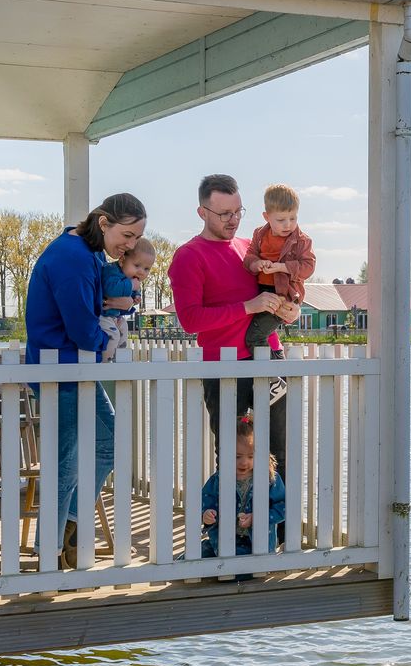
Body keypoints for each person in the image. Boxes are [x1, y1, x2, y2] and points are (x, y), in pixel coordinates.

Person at [26, 192, 147, 567]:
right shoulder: (74, 259)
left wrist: (119, 303)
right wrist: (107, 344)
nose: (129, 246)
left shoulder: (88, 252)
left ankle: (71, 524)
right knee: (65, 460)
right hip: (61, 371)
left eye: (135, 238)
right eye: (126, 236)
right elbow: (81, 329)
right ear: (104, 222)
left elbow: (96, 304)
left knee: (109, 442)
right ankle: (51, 549)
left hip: (77, 369)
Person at [169, 174, 299, 471]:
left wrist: (291, 310)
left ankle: (278, 520)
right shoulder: (188, 256)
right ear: (202, 213)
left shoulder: (250, 246)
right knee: (235, 456)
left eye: (238, 211)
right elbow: (190, 320)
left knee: (280, 452)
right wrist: (247, 307)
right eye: (225, 213)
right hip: (225, 367)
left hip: (269, 357)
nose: (234, 220)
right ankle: (229, 519)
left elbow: (279, 290)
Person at [241, 183, 316, 354]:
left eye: (293, 218)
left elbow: (308, 267)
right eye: (281, 220)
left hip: (284, 294)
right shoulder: (260, 235)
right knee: (261, 332)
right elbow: (249, 257)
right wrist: (256, 264)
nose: (288, 225)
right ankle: (276, 369)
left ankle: (274, 376)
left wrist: (280, 267)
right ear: (266, 216)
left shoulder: (302, 241)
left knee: (255, 337)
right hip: (262, 292)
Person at [201, 417, 285, 557]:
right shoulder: (219, 479)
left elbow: (283, 507)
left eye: (251, 456)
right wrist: (206, 513)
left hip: (257, 544)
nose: (244, 462)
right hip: (225, 540)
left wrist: (258, 518)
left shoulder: (269, 479)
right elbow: (205, 499)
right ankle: (209, 550)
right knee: (192, 558)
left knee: (238, 568)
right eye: (237, 456)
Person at [98, 236, 155, 360]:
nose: (141, 272)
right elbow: (110, 288)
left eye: (146, 269)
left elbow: (133, 291)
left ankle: (119, 359)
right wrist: (131, 285)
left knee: (124, 332)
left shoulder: (129, 277)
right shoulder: (111, 271)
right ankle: (105, 363)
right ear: (122, 260)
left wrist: (136, 297)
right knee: (112, 335)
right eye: (137, 265)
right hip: (103, 315)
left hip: (116, 316)